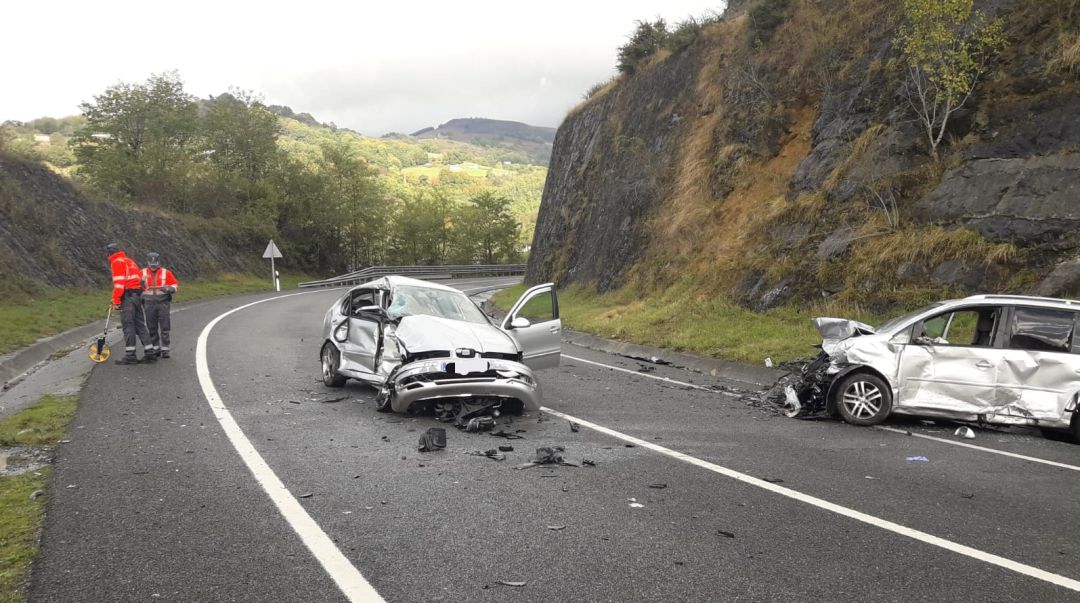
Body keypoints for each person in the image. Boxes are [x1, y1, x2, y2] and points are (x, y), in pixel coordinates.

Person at [107, 243, 155, 364]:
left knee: (128, 325)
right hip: (137, 296)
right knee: (140, 324)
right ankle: (150, 353)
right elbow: (140, 280)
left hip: (127, 297)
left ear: (109, 253)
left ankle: (130, 355)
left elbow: (119, 284)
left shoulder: (116, 262)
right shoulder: (130, 261)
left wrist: (116, 301)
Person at [141, 252, 179, 358]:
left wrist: (169, 289)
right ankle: (155, 348)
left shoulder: (166, 272)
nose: (153, 267)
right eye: (151, 264)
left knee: (165, 327)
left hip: (163, 303)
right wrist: (141, 283)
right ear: (148, 262)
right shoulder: (142, 273)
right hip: (148, 304)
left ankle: (165, 349)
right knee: (151, 327)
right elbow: (137, 287)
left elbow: (175, 285)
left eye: (155, 264)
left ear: (158, 262)